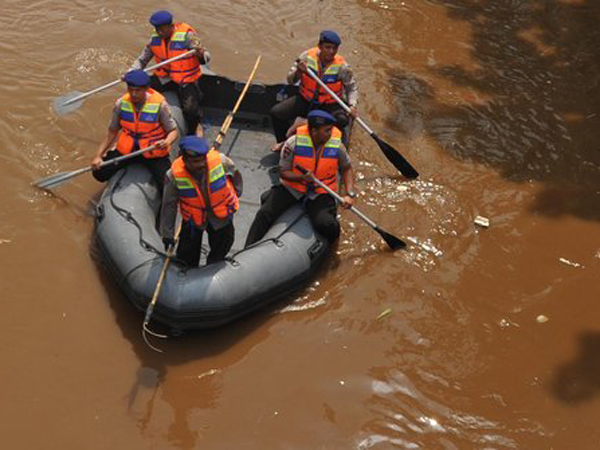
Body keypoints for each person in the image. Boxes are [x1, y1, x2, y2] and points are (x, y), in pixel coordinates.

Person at [245, 110, 356, 247]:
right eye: (326, 130)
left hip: (320, 191)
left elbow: (347, 168)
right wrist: (301, 177)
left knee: (326, 224)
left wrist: (350, 194)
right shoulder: (293, 143)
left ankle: (333, 248)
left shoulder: (336, 145)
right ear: (314, 131)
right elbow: (283, 171)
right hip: (293, 188)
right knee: (264, 213)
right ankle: (248, 248)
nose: (330, 133)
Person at [270, 30, 359, 151]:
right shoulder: (306, 57)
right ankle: (284, 143)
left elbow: (351, 87)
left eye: (334, 48)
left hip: (329, 104)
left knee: (343, 121)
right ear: (320, 46)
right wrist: (299, 71)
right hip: (306, 99)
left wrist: (352, 105)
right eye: (327, 47)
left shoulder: (343, 67)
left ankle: (305, 125)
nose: (331, 52)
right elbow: (291, 81)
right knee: (276, 113)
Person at [160, 136, 242, 267]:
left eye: (203, 160)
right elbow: (169, 205)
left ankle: (213, 266)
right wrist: (167, 234)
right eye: (196, 161)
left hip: (220, 216)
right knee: (187, 255)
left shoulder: (221, 161)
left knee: (222, 246)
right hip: (193, 220)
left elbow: (235, 175)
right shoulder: (173, 175)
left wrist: (234, 197)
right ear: (184, 159)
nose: (201, 164)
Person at [91, 69, 178, 188]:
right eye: (131, 90)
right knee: (99, 173)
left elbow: (173, 131)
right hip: (129, 149)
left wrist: (166, 142)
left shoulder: (160, 105)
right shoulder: (121, 104)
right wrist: (98, 156)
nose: (134, 94)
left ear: (147, 89)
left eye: (138, 90)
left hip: (152, 150)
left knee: (168, 185)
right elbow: (112, 131)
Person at [130, 10, 209, 135]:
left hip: (185, 80)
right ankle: (136, 124)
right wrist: (131, 73)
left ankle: (193, 130)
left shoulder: (187, 36)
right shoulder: (154, 40)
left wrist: (199, 53)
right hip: (165, 77)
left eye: (162, 29)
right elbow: (142, 60)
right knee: (137, 91)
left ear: (171, 26)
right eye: (157, 29)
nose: (160, 32)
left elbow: (206, 57)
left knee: (190, 110)